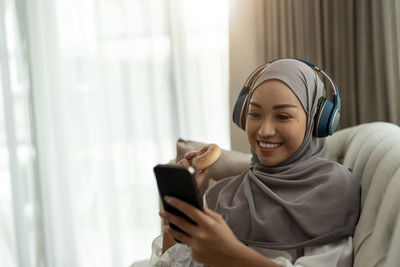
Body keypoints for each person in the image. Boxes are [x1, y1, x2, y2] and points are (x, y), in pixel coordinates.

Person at [149, 58, 360, 267]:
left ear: (317, 120)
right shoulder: (224, 196)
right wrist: (178, 214)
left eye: (283, 116)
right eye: (255, 114)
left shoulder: (333, 191)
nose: (264, 131)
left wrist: (233, 254)